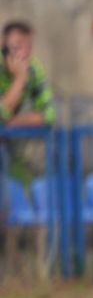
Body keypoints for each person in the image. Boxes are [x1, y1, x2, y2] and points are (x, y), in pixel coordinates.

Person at [1, 20, 55, 187]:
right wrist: (19, 80)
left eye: (28, 47)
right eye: (17, 47)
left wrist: (10, 123)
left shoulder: (34, 69)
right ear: (3, 46)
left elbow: (49, 115)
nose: (23, 54)